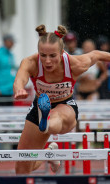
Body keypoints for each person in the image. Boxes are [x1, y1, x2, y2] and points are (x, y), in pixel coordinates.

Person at [13, 24, 110, 175]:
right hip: (39, 106)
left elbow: (96, 54)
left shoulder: (74, 64)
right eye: (43, 55)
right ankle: (49, 152)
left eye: (53, 56)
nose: (47, 61)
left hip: (65, 106)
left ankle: (46, 121)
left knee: (55, 117)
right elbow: (20, 78)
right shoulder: (31, 62)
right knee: (22, 169)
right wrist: (19, 89)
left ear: (61, 52)